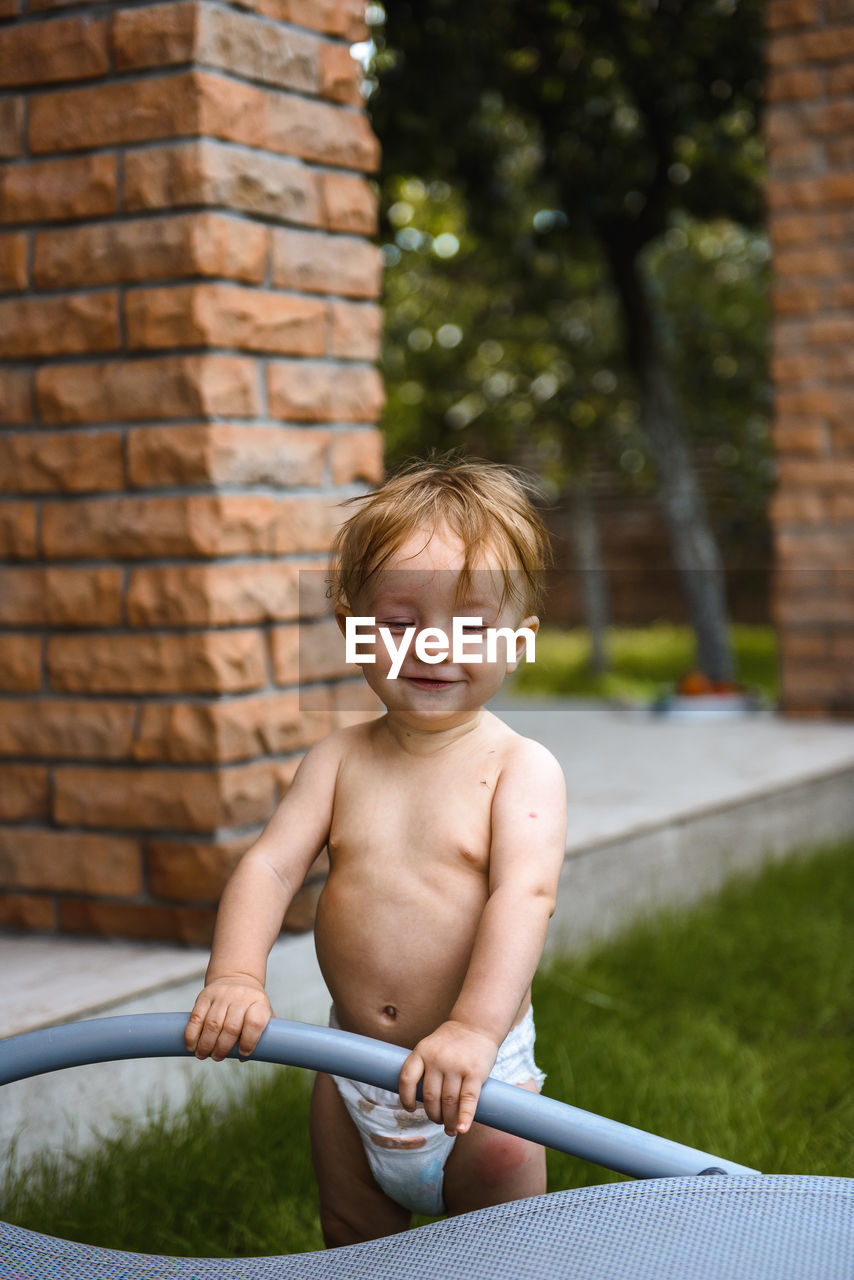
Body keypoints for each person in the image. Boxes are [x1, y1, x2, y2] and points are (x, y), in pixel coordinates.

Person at [184, 454, 568, 1246]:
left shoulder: (519, 769)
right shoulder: (337, 761)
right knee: (354, 1231)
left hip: (477, 1083)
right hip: (353, 1070)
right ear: (349, 623)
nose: (434, 646)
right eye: (400, 621)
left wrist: (471, 1028)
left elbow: (522, 898)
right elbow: (269, 865)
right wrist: (234, 975)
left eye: (470, 625)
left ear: (520, 642)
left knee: (501, 1249)